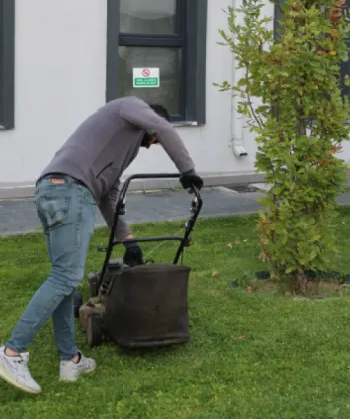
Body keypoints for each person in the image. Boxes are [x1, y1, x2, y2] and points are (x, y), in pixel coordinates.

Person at [0, 97, 203, 394]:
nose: (150, 144)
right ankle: (11, 353)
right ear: (150, 121)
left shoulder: (121, 142)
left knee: (65, 282)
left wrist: (129, 242)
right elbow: (162, 127)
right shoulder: (130, 106)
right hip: (71, 191)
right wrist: (188, 170)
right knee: (64, 277)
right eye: (154, 140)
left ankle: (70, 359)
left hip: (52, 189)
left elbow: (108, 196)